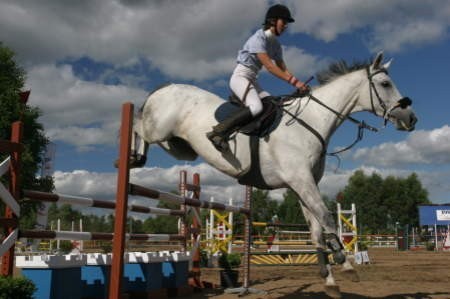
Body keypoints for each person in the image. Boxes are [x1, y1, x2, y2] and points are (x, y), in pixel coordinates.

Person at [207, 4, 310, 152]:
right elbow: (270, 67)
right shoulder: (258, 38)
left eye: (287, 23)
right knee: (256, 107)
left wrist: (298, 85)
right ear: (273, 21)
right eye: (284, 21)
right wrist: (295, 82)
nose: (286, 25)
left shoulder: (276, 45)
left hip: (252, 80)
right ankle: (218, 132)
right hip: (240, 77)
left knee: (273, 102)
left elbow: (283, 68)